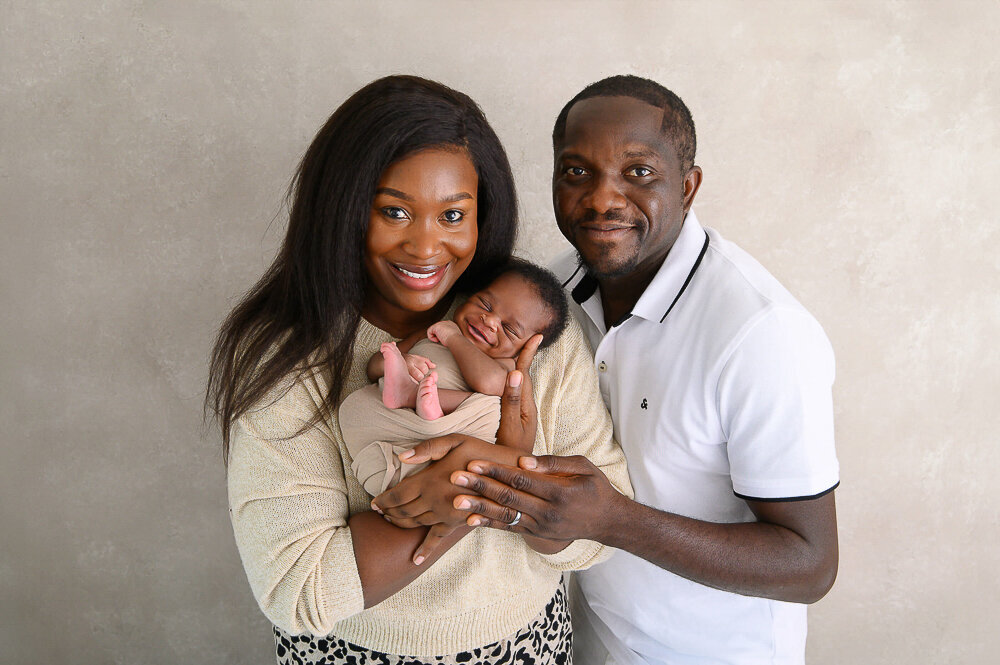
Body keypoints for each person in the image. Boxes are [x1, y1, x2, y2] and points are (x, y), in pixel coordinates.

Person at [384, 75, 840, 665]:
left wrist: (614, 519)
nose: (602, 199)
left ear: (689, 185)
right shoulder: (551, 293)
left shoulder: (760, 333)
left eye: (639, 173)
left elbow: (810, 564)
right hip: (589, 638)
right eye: (576, 172)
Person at [205, 75, 631, 665]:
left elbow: (597, 528)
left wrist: (471, 478)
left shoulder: (521, 322)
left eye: (453, 215)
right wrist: (477, 488)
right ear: (343, 208)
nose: (427, 247)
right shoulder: (289, 357)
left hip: (529, 644)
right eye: (395, 211)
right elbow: (298, 590)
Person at [340, 259, 569, 496]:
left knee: (493, 406)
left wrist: (453, 339)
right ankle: (407, 395)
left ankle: (411, 395)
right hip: (385, 433)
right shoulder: (434, 330)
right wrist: (401, 362)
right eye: (485, 304)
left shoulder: (503, 364)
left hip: (439, 461)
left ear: (525, 348)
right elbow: (373, 368)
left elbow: (489, 383)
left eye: (509, 329)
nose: (489, 321)